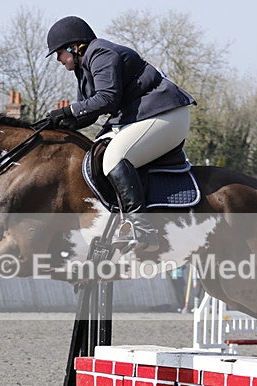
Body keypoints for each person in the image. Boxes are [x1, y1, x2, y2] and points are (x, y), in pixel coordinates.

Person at [45, 15, 196, 252]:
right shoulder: (83, 69)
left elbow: (107, 98)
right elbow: (90, 113)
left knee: (114, 158)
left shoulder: (101, 53)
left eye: (59, 53)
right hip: (141, 117)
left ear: (73, 47)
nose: (58, 59)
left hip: (166, 114)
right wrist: (60, 124)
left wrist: (67, 110)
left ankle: (143, 230)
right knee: (95, 154)